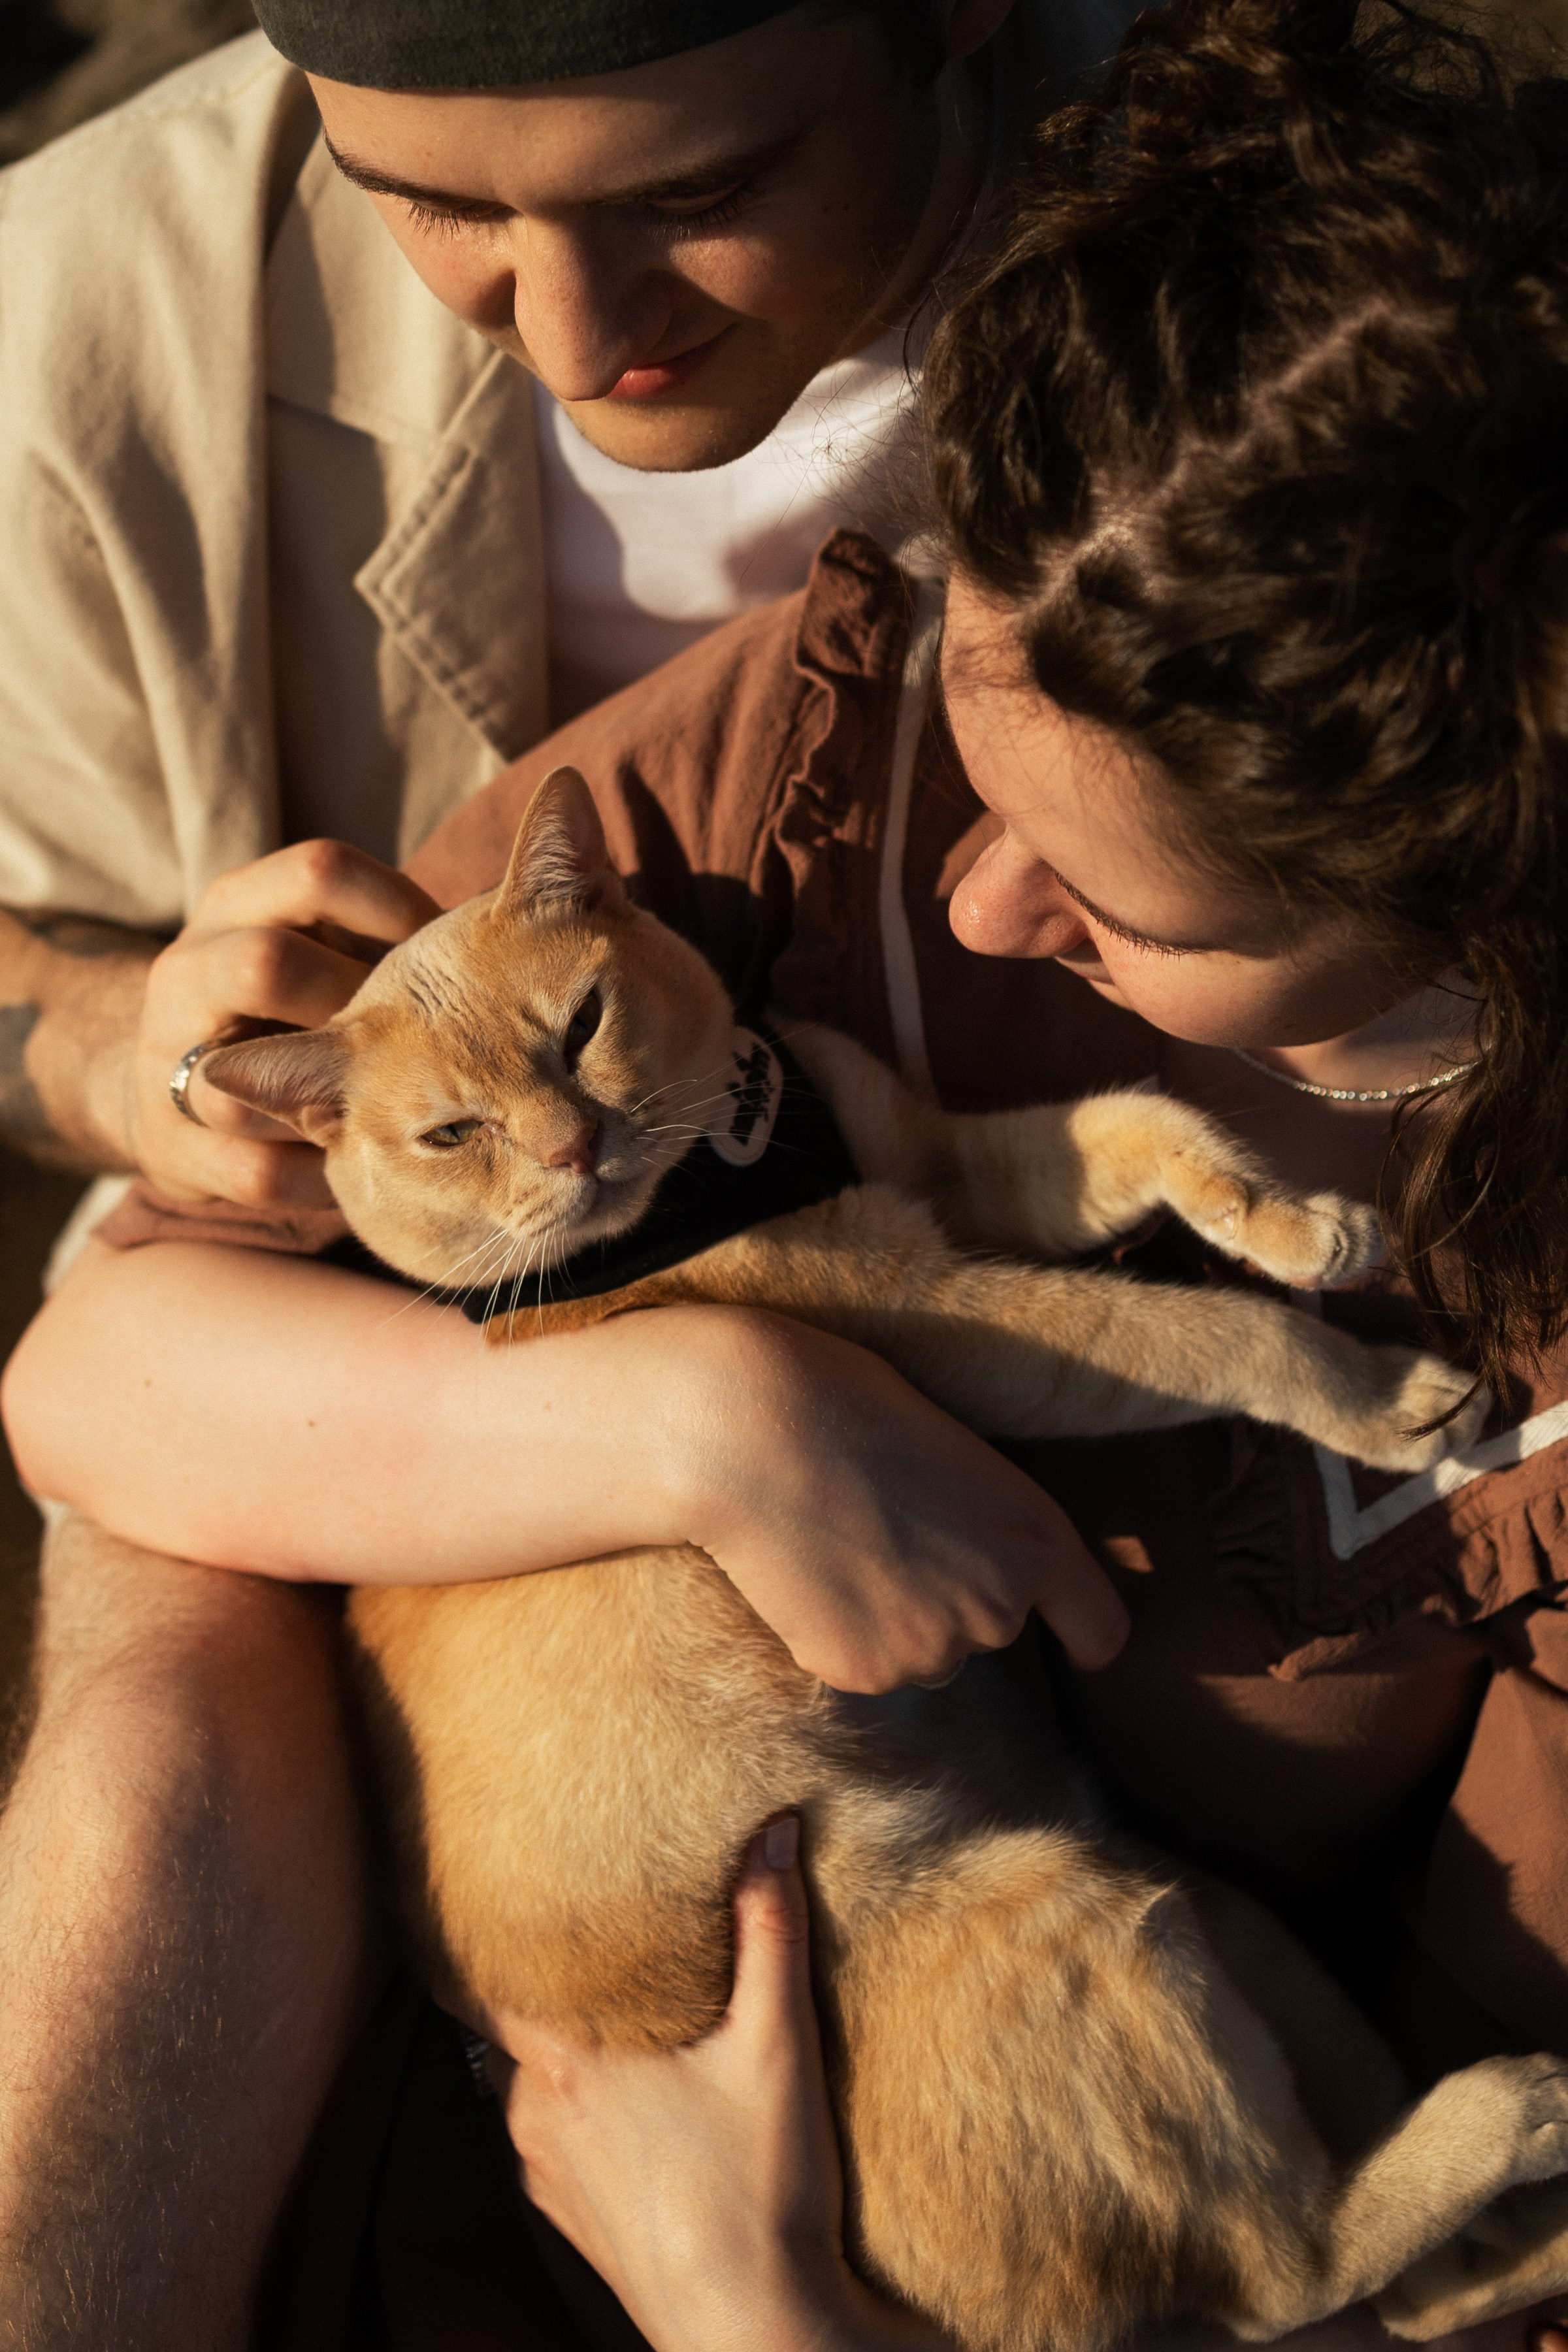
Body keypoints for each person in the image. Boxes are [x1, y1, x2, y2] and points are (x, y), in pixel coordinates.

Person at [12, 0, 1568, 2344]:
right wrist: (706, 1412)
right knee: (163, 1616)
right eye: (436, 202)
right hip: (536, 2043)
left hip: (953, 2196)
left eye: (1125, 908)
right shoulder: (817, 758)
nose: (977, 907)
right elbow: (123, 1364)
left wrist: (758, 2309)